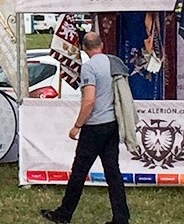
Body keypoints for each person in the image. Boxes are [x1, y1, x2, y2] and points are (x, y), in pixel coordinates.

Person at [41, 32, 130, 224]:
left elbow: (89, 100)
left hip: (94, 127)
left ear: (83, 48)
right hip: (111, 123)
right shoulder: (112, 62)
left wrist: (77, 126)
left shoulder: (89, 68)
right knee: (113, 172)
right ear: (102, 45)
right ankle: (121, 217)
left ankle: (64, 214)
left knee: (79, 172)